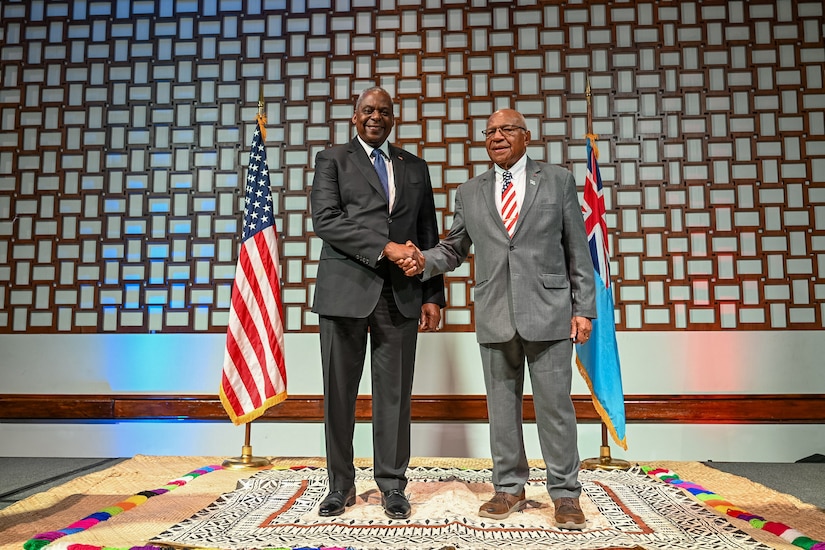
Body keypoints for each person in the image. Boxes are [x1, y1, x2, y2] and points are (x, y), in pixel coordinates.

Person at [399, 108, 596, 530]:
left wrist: (584, 309)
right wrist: (422, 261)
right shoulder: (470, 191)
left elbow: (578, 249)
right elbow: (453, 248)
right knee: (501, 409)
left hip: (549, 312)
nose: (497, 136)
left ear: (527, 136)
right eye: (490, 131)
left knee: (555, 409)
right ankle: (508, 487)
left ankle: (565, 495)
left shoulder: (557, 180)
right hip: (494, 312)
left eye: (507, 129)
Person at [310, 86, 445, 520]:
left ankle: (392, 486)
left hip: (401, 297)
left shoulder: (415, 167)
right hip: (344, 293)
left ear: (393, 118)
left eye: (384, 111)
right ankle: (340, 486)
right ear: (355, 117)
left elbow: (427, 234)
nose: (376, 117)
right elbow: (326, 221)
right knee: (339, 396)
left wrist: (432, 294)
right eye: (368, 110)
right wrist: (385, 247)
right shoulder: (332, 160)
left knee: (395, 397)